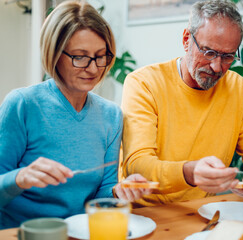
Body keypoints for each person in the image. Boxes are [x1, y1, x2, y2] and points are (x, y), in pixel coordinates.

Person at [0, 1, 150, 229]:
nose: (92, 69)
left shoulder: (111, 115)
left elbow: (104, 192)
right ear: (54, 54)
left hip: (81, 233)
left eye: (100, 56)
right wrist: (20, 178)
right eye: (80, 57)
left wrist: (121, 191)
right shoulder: (22, 105)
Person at [121, 0, 243, 207]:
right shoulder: (144, 83)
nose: (216, 67)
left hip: (201, 212)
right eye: (209, 52)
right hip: (143, 213)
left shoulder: (240, 90)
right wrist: (189, 172)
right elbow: (138, 166)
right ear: (187, 39)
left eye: (228, 56)